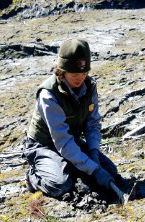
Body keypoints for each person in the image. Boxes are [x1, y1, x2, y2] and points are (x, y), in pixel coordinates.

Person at [23, 38, 120, 198]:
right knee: (60, 185)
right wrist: (93, 169)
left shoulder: (90, 87)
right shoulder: (49, 95)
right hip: (44, 145)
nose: (80, 78)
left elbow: (93, 124)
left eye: (84, 73)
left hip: (70, 142)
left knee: (111, 172)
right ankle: (33, 177)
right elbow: (62, 142)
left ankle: (70, 166)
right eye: (75, 73)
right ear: (62, 71)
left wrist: (93, 152)